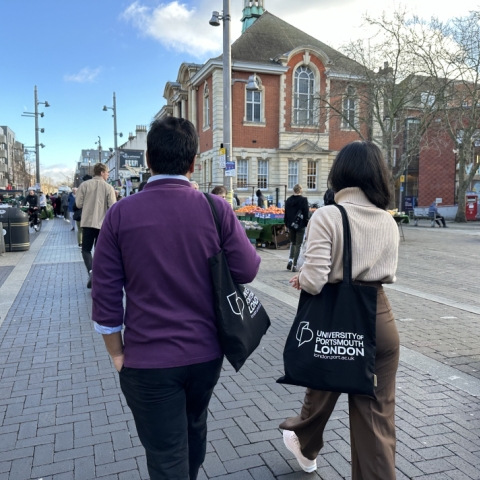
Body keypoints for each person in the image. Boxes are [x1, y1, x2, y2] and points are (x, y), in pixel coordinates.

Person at [92, 116, 261, 480]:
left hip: (147, 359)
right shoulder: (216, 210)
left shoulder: (120, 214)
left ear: (149, 159)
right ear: (193, 163)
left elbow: (105, 299)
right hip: (205, 356)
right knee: (194, 428)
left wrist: (117, 354)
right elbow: (247, 271)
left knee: (166, 453)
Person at [279, 141, 400, 480]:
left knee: (323, 378)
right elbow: (389, 273)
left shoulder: (329, 216)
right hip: (379, 318)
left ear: (340, 174)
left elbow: (316, 281)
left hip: (336, 317)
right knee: (376, 419)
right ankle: (304, 442)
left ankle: (303, 441)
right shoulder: (388, 221)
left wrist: (302, 278)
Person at [75, 163, 116, 288]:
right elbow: (113, 207)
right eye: (107, 172)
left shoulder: (84, 185)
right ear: (102, 172)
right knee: (100, 250)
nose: (108, 174)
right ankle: (98, 275)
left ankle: (91, 271)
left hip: (87, 222)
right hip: (103, 224)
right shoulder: (108, 187)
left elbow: (78, 204)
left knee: (86, 249)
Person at [284, 184, 309, 272]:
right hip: (300, 225)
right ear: (300, 190)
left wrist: (286, 224)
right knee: (298, 244)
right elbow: (306, 214)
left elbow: (286, 213)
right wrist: (307, 223)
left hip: (291, 224)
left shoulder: (288, 200)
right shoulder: (303, 200)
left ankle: (290, 260)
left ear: (293, 190)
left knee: (292, 243)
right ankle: (295, 264)